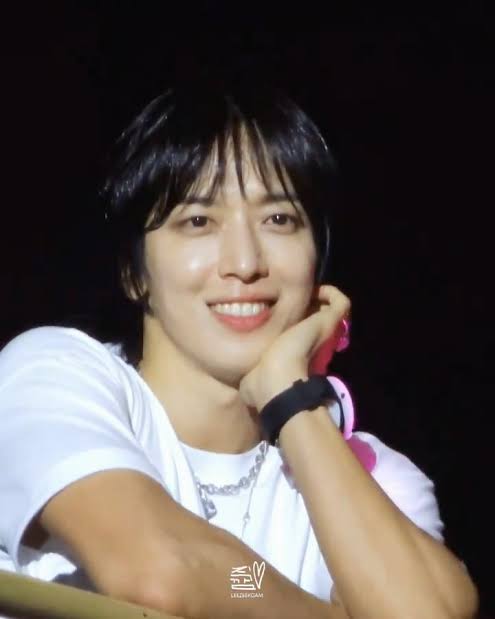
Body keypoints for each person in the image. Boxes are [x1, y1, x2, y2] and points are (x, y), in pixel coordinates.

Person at [0, 77, 478, 619]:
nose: (245, 263)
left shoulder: (368, 473)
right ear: (134, 272)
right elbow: (162, 570)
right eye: (198, 221)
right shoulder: (54, 376)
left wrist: (291, 401)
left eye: (279, 219)